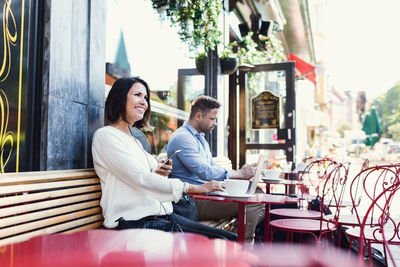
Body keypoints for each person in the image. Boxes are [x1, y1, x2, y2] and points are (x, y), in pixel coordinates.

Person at [91, 77, 236, 240]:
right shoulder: (106, 136)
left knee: (231, 241)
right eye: (137, 95)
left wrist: (159, 172)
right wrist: (193, 188)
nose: (143, 102)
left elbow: (142, 179)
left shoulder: (136, 140)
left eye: (145, 98)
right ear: (119, 97)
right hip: (135, 223)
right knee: (226, 243)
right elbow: (140, 178)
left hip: (160, 218)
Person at [167, 95, 265, 241]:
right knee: (255, 202)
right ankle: (241, 245)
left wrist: (240, 176)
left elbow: (211, 168)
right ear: (199, 115)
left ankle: (236, 239)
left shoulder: (200, 139)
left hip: (206, 193)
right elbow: (205, 172)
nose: (215, 123)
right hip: (191, 200)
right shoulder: (183, 138)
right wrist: (239, 173)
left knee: (257, 193)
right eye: (212, 119)